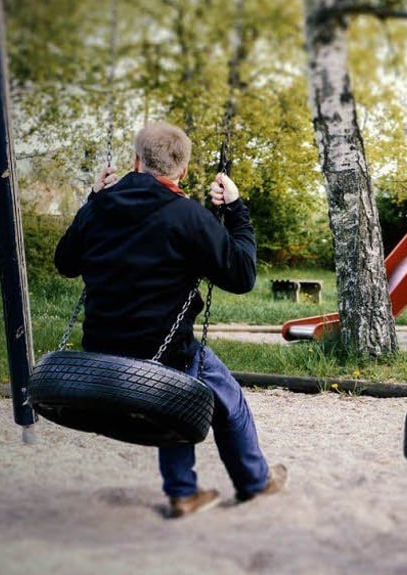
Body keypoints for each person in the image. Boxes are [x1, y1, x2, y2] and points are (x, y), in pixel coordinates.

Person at [54, 121, 286, 518]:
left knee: (176, 394)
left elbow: (65, 263)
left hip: (101, 349)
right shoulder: (188, 217)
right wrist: (234, 209)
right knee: (225, 398)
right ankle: (254, 481)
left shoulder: (99, 206)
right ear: (182, 172)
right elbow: (242, 275)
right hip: (165, 352)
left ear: (135, 161)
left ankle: (183, 492)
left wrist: (92, 197)